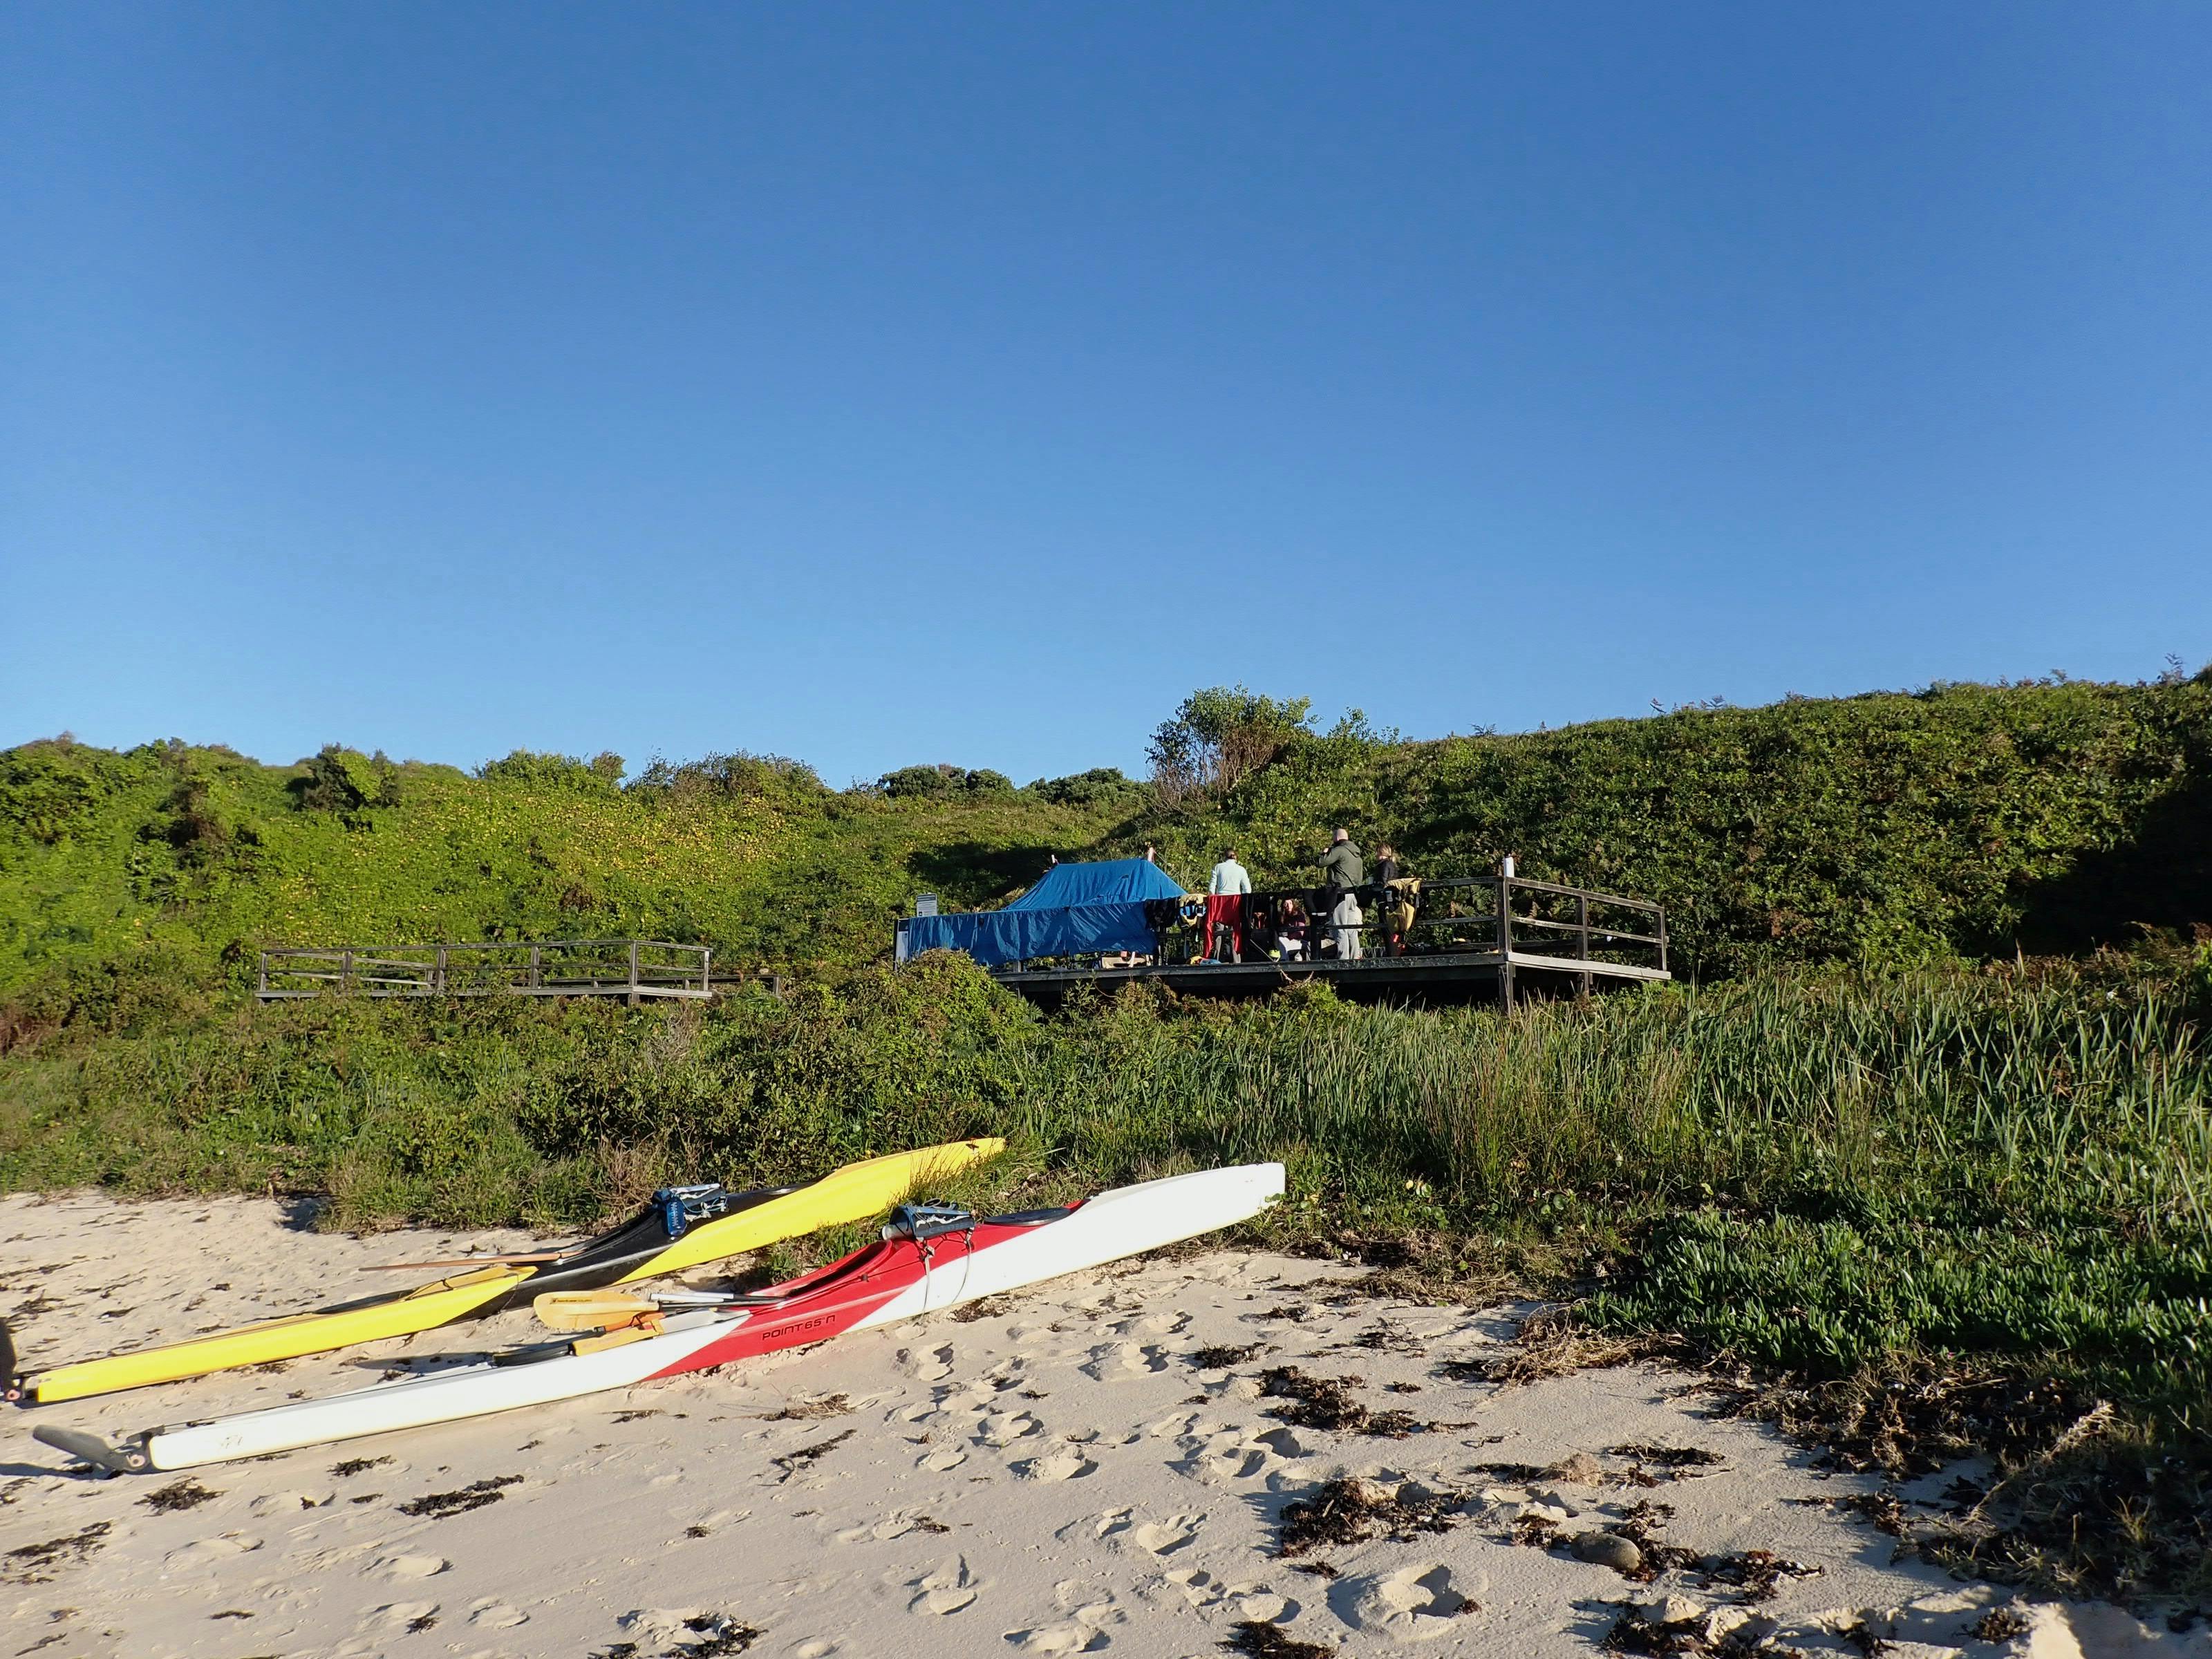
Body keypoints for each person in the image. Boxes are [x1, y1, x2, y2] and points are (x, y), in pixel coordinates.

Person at [1315, 828, 1365, 961]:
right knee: (1351, 928)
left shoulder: (1339, 850)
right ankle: (1355, 957)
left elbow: (1320, 863)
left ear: (1336, 838)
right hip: (1353, 894)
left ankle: (1343, 959)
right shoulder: (1357, 855)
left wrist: (1325, 852)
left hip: (1340, 894)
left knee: (1340, 927)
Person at [1206, 848, 1251, 962]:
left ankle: (1217, 960)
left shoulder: (1218, 867)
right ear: (1236, 857)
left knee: (1218, 934)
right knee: (1235, 932)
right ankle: (1237, 961)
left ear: (1224, 857)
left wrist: (1211, 899)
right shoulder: (1241, 869)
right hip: (1235, 904)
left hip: (1219, 905)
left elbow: (1212, 887)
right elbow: (1247, 889)